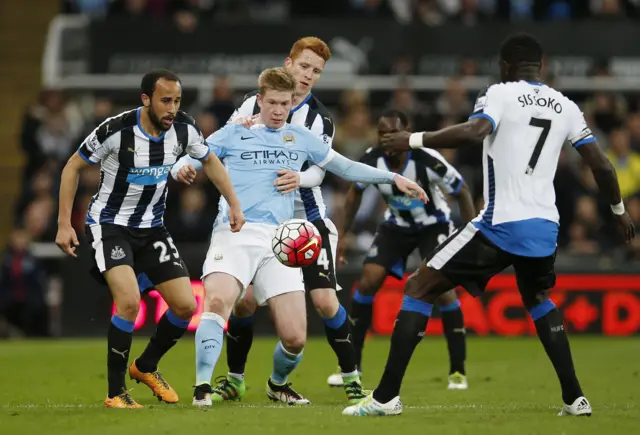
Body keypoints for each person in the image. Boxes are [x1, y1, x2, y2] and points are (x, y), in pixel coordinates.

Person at [343, 33, 635, 417]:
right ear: (540, 66)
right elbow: (601, 164)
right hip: (545, 226)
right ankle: (575, 399)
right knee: (538, 300)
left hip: (501, 223)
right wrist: (618, 210)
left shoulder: (499, 92)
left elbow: (476, 132)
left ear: (504, 66)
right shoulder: (566, 106)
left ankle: (384, 399)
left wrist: (413, 139)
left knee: (419, 285)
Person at [171, 67, 427, 407]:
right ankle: (202, 387)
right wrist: (182, 168)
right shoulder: (232, 133)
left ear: (293, 103)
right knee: (217, 302)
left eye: (285, 103)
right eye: (272, 102)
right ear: (259, 100)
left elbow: (346, 167)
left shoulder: (301, 138)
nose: (278, 110)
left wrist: (393, 179)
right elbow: (191, 157)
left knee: (294, 338)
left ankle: (277, 384)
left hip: (280, 240)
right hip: (235, 231)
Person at [55, 69, 244, 409]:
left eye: (177, 101)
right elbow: (72, 167)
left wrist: (234, 203)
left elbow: (211, 161)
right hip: (110, 225)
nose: (172, 108)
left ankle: (145, 366)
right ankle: (116, 392)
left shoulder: (184, 129)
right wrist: (63, 224)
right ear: (146, 100)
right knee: (128, 302)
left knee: (187, 306)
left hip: (152, 228)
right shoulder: (116, 130)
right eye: (165, 101)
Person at [334, 109, 475, 390]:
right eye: (382, 133)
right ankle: (351, 368)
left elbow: (462, 191)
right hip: (396, 226)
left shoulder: (427, 159)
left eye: (392, 133)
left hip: (432, 225)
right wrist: (340, 236)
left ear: (406, 134)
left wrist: (471, 237)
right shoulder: (372, 158)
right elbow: (354, 194)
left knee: (443, 291)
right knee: (367, 281)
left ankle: (457, 370)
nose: (386, 138)